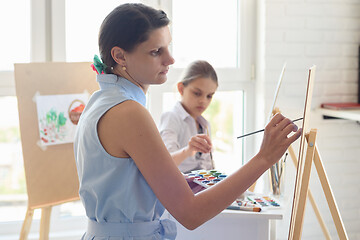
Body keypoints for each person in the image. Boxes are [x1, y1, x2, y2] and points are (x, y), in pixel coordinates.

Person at [74, 3, 302, 240]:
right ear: (120, 56)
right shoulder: (129, 112)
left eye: (168, 47)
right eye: (156, 52)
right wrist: (264, 158)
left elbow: (125, 183)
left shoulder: (100, 100)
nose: (170, 59)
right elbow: (190, 214)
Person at [159, 60, 217, 174]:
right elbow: (164, 164)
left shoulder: (204, 124)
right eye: (197, 93)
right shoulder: (171, 117)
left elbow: (209, 166)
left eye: (209, 96)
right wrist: (188, 151)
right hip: (181, 188)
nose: (203, 101)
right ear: (181, 89)